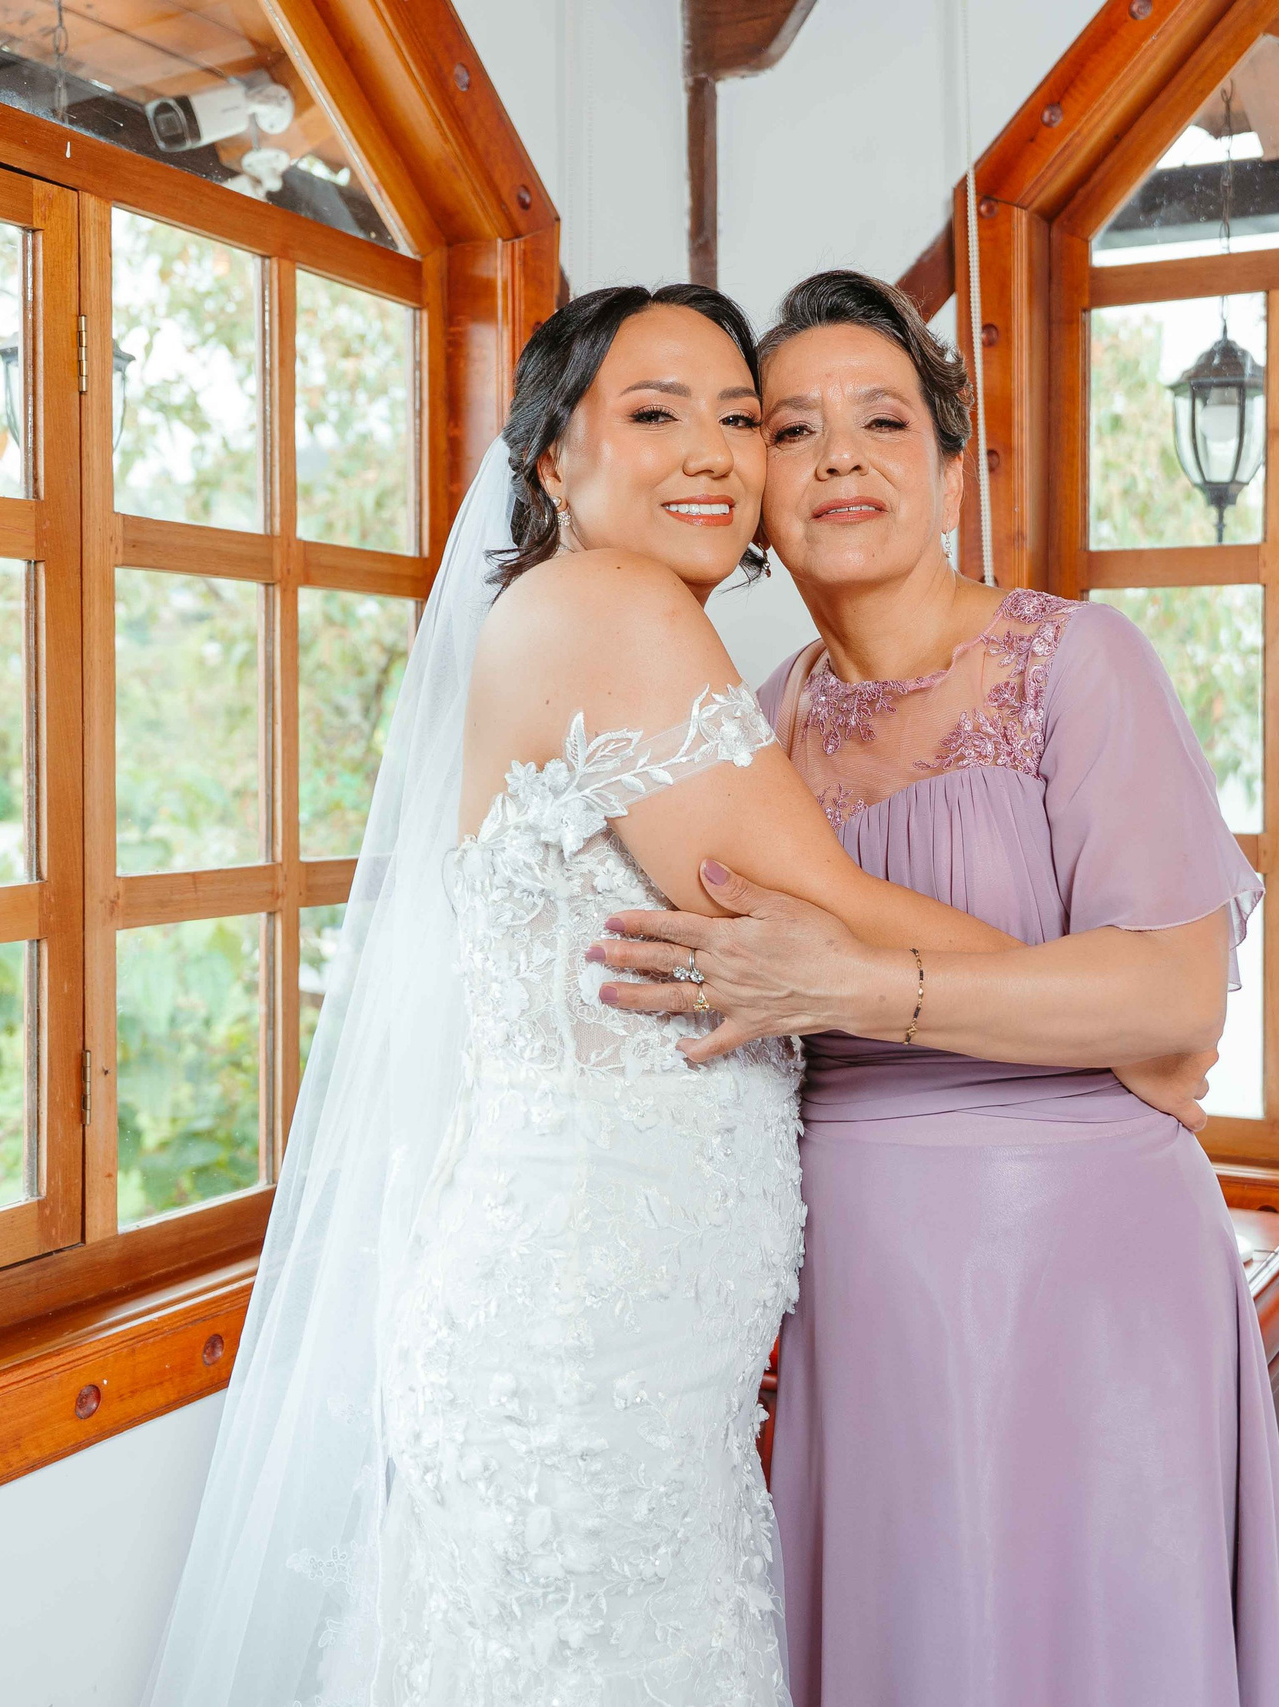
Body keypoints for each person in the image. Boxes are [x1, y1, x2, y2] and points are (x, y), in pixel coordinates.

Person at [146, 281, 1061, 1707]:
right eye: (654, 414)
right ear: (551, 461)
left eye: (738, 419)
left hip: (630, 1322)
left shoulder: (608, 631)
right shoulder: (606, 604)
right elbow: (812, 906)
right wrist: (1089, 1000)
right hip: (581, 1331)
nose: (711, 451)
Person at [594, 271, 1279, 1707]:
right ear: (752, 485)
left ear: (950, 463)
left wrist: (858, 982)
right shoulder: (754, 724)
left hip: (1090, 1262)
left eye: (885, 421)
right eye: (792, 429)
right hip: (863, 1286)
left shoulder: (1077, 664)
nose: (842, 457)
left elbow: (1176, 1006)